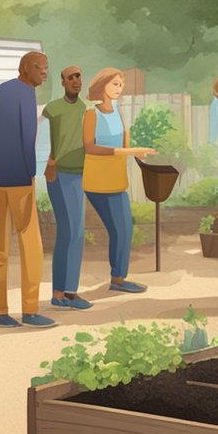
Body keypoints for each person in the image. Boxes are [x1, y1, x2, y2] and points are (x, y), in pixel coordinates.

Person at [0, 51, 54, 328]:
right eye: (39, 68)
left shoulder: (1, 91)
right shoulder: (26, 95)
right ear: (24, 69)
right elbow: (27, 138)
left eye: (46, 68)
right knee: (31, 245)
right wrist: (29, 174)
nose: (44, 73)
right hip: (19, 179)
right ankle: (30, 309)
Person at [82, 68, 155, 294]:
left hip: (117, 179)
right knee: (119, 230)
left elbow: (123, 147)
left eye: (121, 85)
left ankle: (118, 278)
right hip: (97, 181)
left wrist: (134, 153)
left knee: (124, 230)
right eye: (115, 84)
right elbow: (89, 146)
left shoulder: (118, 113)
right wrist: (126, 151)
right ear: (102, 85)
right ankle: (119, 279)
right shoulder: (92, 115)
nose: (119, 89)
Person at [44, 66, 93, 310]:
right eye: (71, 77)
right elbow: (41, 139)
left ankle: (60, 293)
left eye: (79, 76)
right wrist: (50, 162)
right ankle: (67, 293)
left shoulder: (85, 109)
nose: (76, 80)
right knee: (72, 232)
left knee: (70, 233)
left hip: (78, 174)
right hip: (60, 174)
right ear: (63, 81)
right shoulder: (52, 109)